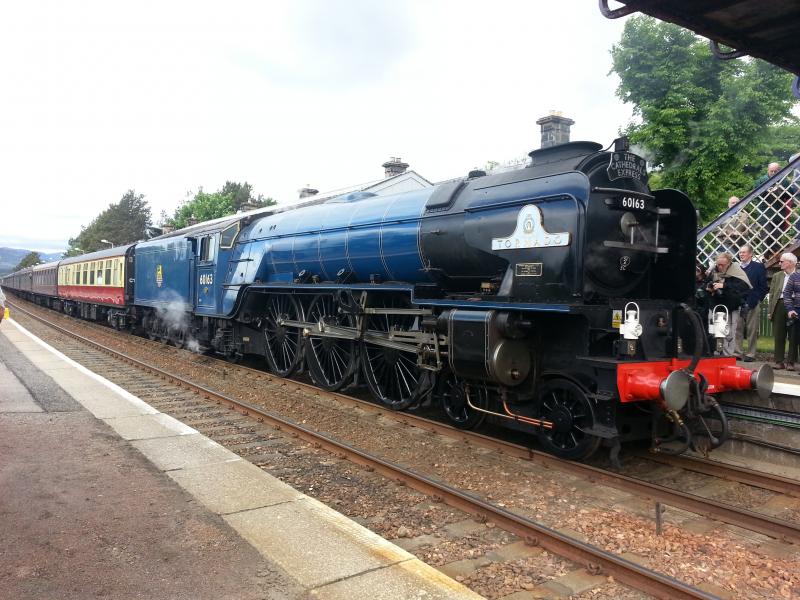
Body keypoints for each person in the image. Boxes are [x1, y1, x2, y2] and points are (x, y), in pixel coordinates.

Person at [705, 252, 751, 356]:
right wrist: (709, 287)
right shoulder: (713, 271)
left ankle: (727, 356)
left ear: (729, 263)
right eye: (718, 264)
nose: (720, 267)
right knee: (715, 332)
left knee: (728, 333)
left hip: (731, 307)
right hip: (715, 306)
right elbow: (706, 284)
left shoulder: (737, 271)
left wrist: (724, 285)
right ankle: (716, 354)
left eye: (723, 265)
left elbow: (742, 287)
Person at [735, 244, 768, 361]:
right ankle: (737, 352)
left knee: (752, 329)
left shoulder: (759, 267)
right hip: (737, 302)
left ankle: (750, 354)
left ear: (750, 254)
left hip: (753, 302)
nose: (741, 254)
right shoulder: (735, 267)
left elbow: (763, 287)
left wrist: (757, 299)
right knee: (737, 328)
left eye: (744, 252)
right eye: (740, 252)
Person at [770, 253, 798, 369]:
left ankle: (791, 362)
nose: (780, 263)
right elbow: (772, 294)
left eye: (782, 261)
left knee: (794, 334)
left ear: (791, 263)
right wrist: (770, 311)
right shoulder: (777, 276)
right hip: (780, 304)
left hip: (795, 305)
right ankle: (778, 361)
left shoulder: (798, 275)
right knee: (779, 334)